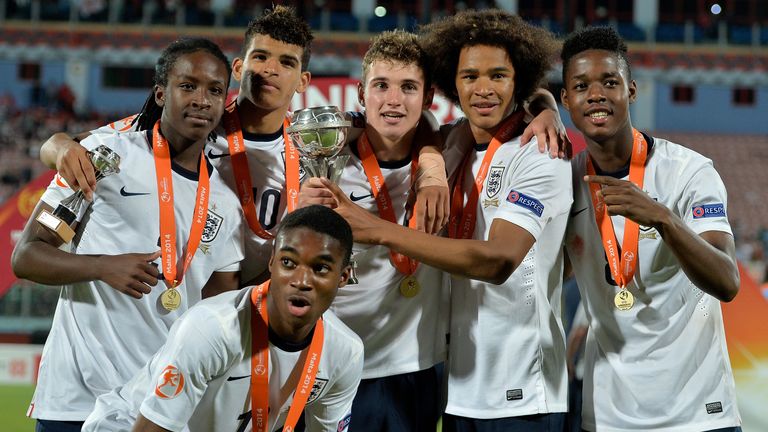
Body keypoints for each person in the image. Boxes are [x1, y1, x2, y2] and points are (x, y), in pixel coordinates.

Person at [38, 6, 452, 287]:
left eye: (287, 62)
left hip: (266, 296)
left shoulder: (317, 138)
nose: (270, 70)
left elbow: (417, 126)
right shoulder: (195, 124)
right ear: (239, 67)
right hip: (187, 290)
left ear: (303, 81)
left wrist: (432, 168)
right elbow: (85, 145)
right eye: (260, 58)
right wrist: (56, 145)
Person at [314, 9, 572, 431]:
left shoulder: (540, 152)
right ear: (453, 84)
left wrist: (376, 230)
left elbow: (497, 261)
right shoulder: (453, 143)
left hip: (523, 391)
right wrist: (433, 163)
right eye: (470, 77)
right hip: (458, 389)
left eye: (498, 76)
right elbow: (428, 127)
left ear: (518, 82)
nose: (483, 89)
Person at [11, 38, 244, 431]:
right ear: (161, 93)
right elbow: (28, 255)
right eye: (188, 86)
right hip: (75, 398)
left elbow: (215, 314)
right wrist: (102, 267)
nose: (202, 99)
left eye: (215, 90)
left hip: (155, 407)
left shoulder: (225, 203)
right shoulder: (106, 157)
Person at [560, 26, 742, 431]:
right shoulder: (564, 183)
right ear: (566, 99)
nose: (596, 94)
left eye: (610, 82)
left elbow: (727, 281)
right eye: (581, 85)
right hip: (608, 413)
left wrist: (663, 218)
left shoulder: (689, 171)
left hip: (699, 411)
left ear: (632, 91)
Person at [82, 205, 364, 432]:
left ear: (343, 276)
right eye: (288, 263)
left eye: (321, 268)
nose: (301, 280)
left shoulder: (344, 352)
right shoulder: (212, 329)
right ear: (271, 263)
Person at [299, 30, 448, 431]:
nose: (394, 100)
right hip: (330, 360)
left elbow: (529, 102)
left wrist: (547, 109)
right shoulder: (325, 160)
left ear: (428, 98)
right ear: (362, 95)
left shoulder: (450, 153)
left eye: (408, 87)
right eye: (381, 86)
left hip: (412, 366)